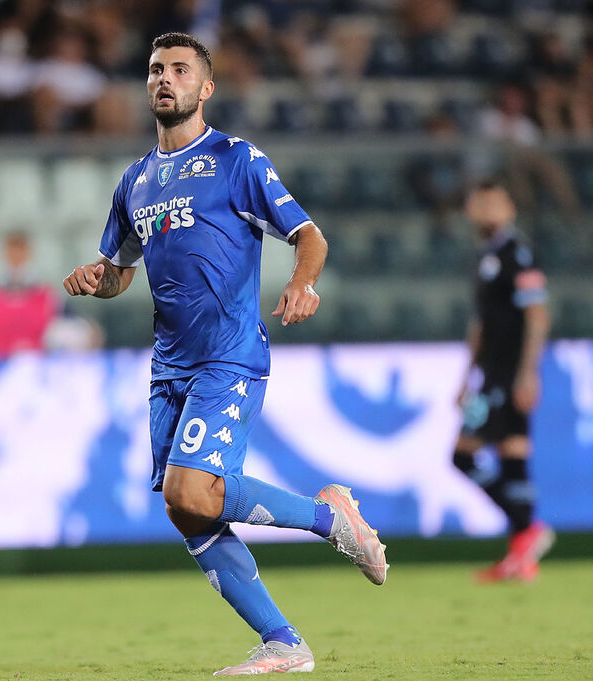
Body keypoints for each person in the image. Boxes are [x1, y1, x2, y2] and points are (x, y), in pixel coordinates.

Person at [63, 32, 387, 676]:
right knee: (187, 508)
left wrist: (301, 282)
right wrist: (94, 280)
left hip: (228, 354)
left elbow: (308, 235)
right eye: (156, 69)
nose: (165, 79)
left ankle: (330, 521)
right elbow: (122, 270)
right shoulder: (135, 180)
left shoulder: (236, 159)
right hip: (170, 365)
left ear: (205, 88)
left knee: (194, 489)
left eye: (181, 70)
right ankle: (284, 643)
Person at [451, 180, 555, 583]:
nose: (488, 210)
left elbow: (537, 316)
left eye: (496, 202)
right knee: (514, 457)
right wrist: (466, 377)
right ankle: (521, 556)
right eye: (481, 203)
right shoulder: (486, 257)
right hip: (490, 373)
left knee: (463, 454)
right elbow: (481, 324)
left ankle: (528, 529)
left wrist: (528, 372)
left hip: (508, 373)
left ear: (509, 209)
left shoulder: (518, 254)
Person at [0, 231, 58, 355]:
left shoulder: (47, 295)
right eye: (12, 254)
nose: (16, 259)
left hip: (35, 364)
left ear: (28, 254)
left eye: (20, 253)